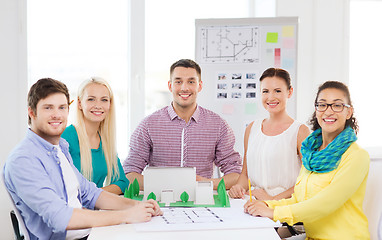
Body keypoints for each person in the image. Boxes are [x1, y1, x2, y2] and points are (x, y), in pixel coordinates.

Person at [3, 78, 162, 240]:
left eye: (62, 107)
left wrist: (137, 205)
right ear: (32, 112)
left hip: (89, 233)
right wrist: (126, 215)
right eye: (48, 108)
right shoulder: (23, 159)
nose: (57, 115)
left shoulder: (59, 149)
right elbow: (60, 218)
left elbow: (90, 193)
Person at [244, 81, 370, 239]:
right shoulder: (311, 153)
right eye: (322, 105)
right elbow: (298, 199)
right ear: (316, 110)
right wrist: (266, 205)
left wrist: (273, 212)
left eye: (337, 106)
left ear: (348, 112)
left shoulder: (356, 156)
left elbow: (325, 203)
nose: (328, 111)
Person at [123, 59, 242, 190]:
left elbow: (235, 174)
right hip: (159, 204)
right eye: (178, 82)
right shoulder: (148, 125)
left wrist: (206, 183)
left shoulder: (218, 125)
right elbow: (129, 175)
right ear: (170, 86)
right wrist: (163, 185)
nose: (184, 88)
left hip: (202, 203)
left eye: (191, 82)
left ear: (200, 86)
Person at [229, 68, 310, 201]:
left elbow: (307, 181)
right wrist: (238, 187)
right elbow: (245, 175)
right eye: (265, 91)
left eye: (277, 91)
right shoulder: (252, 128)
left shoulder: (300, 131)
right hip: (252, 206)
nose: (271, 97)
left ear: (289, 92)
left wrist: (272, 201)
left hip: (283, 208)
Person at [62, 77, 129, 195]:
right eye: (91, 99)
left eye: (104, 100)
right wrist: (96, 195)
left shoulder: (105, 140)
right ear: (79, 103)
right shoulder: (66, 138)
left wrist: (95, 195)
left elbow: (122, 182)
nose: (98, 105)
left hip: (96, 208)